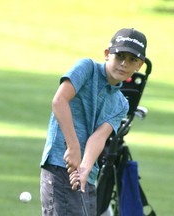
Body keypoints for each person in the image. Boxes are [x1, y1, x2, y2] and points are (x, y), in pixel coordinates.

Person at [40, 28, 147, 216]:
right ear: (107, 54)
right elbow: (59, 101)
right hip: (59, 164)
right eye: (119, 56)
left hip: (86, 176)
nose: (124, 63)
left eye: (132, 60)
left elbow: (99, 137)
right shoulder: (87, 68)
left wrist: (84, 168)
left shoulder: (122, 103)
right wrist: (73, 148)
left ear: (139, 65)